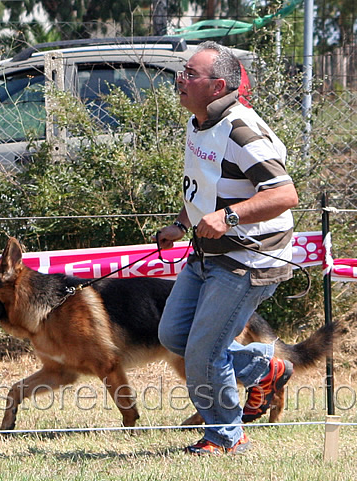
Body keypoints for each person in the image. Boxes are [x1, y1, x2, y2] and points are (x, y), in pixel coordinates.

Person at [156, 41, 299, 455]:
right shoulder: (199, 122)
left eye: (191, 74)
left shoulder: (240, 131)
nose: (181, 79)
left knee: (204, 352)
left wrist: (229, 218)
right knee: (174, 335)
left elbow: (285, 193)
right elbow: (206, 185)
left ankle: (225, 437)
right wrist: (182, 223)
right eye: (183, 71)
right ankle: (264, 367)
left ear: (218, 86)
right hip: (206, 252)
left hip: (250, 258)